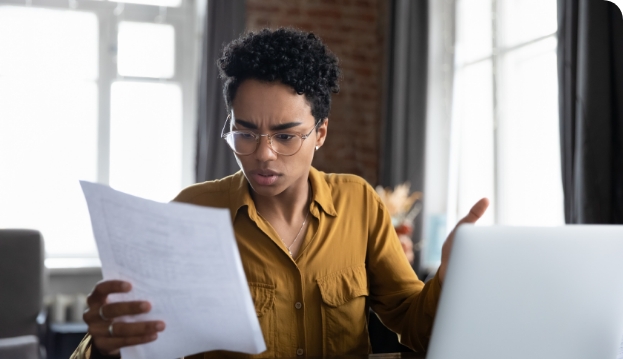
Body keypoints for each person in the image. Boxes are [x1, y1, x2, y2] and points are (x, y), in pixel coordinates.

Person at [71, 28, 488, 359]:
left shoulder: (359, 203)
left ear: (320, 132)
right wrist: (107, 346)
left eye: (286, 135)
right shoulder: (192, 210)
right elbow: (145, 342)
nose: (263, 155)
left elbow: (413, 323)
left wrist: (454, 279)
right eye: (245, 133)